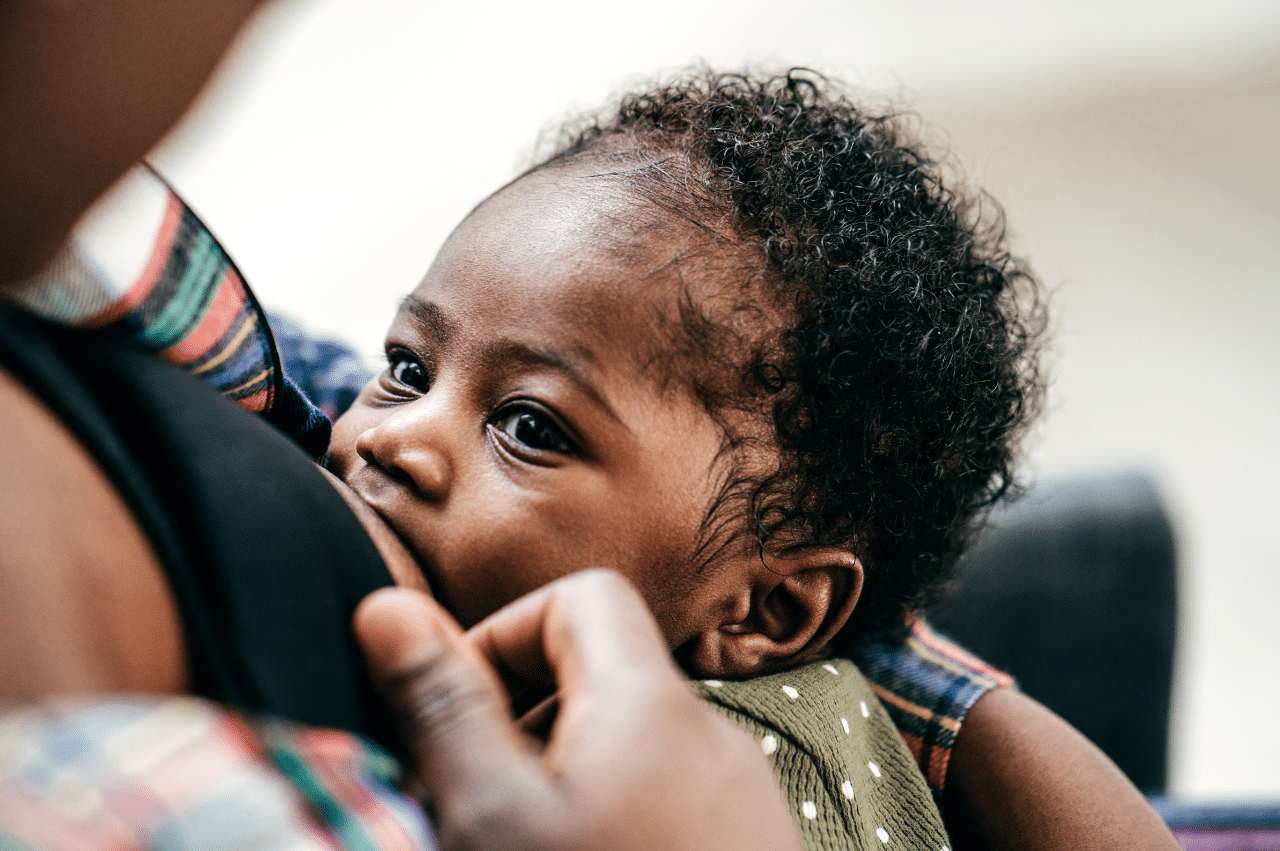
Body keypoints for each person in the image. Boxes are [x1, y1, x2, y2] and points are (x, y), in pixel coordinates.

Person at [0, 2, 1180, 850]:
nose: (389, 437)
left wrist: (958, 710)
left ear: (769, 611)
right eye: (405, 365)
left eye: (526, 426)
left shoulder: (805, 717)